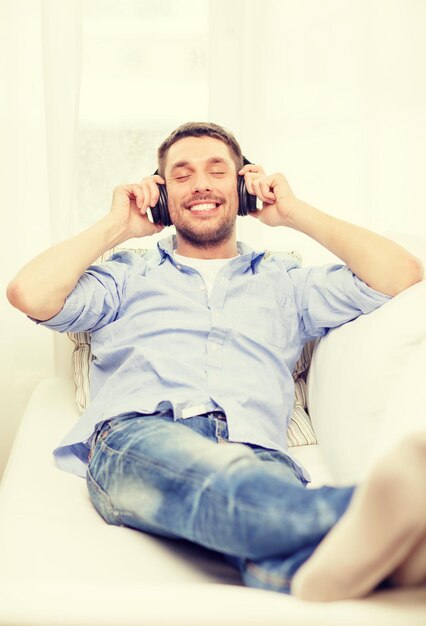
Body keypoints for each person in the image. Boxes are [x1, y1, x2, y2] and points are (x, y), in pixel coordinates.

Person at [7, 122, 426, 602]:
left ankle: (357, 555)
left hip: (259, 451)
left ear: (243, 186)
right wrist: (116, 227)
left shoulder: (287, 280)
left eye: (216, 171)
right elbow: (29, 293)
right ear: (162, 196)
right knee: (226, 482)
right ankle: (382, 513)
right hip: (141, 435)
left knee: (270, 549)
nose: (201, 184)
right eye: (181, 175)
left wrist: (294, 213)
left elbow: (403, 273)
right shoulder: (125, 276)